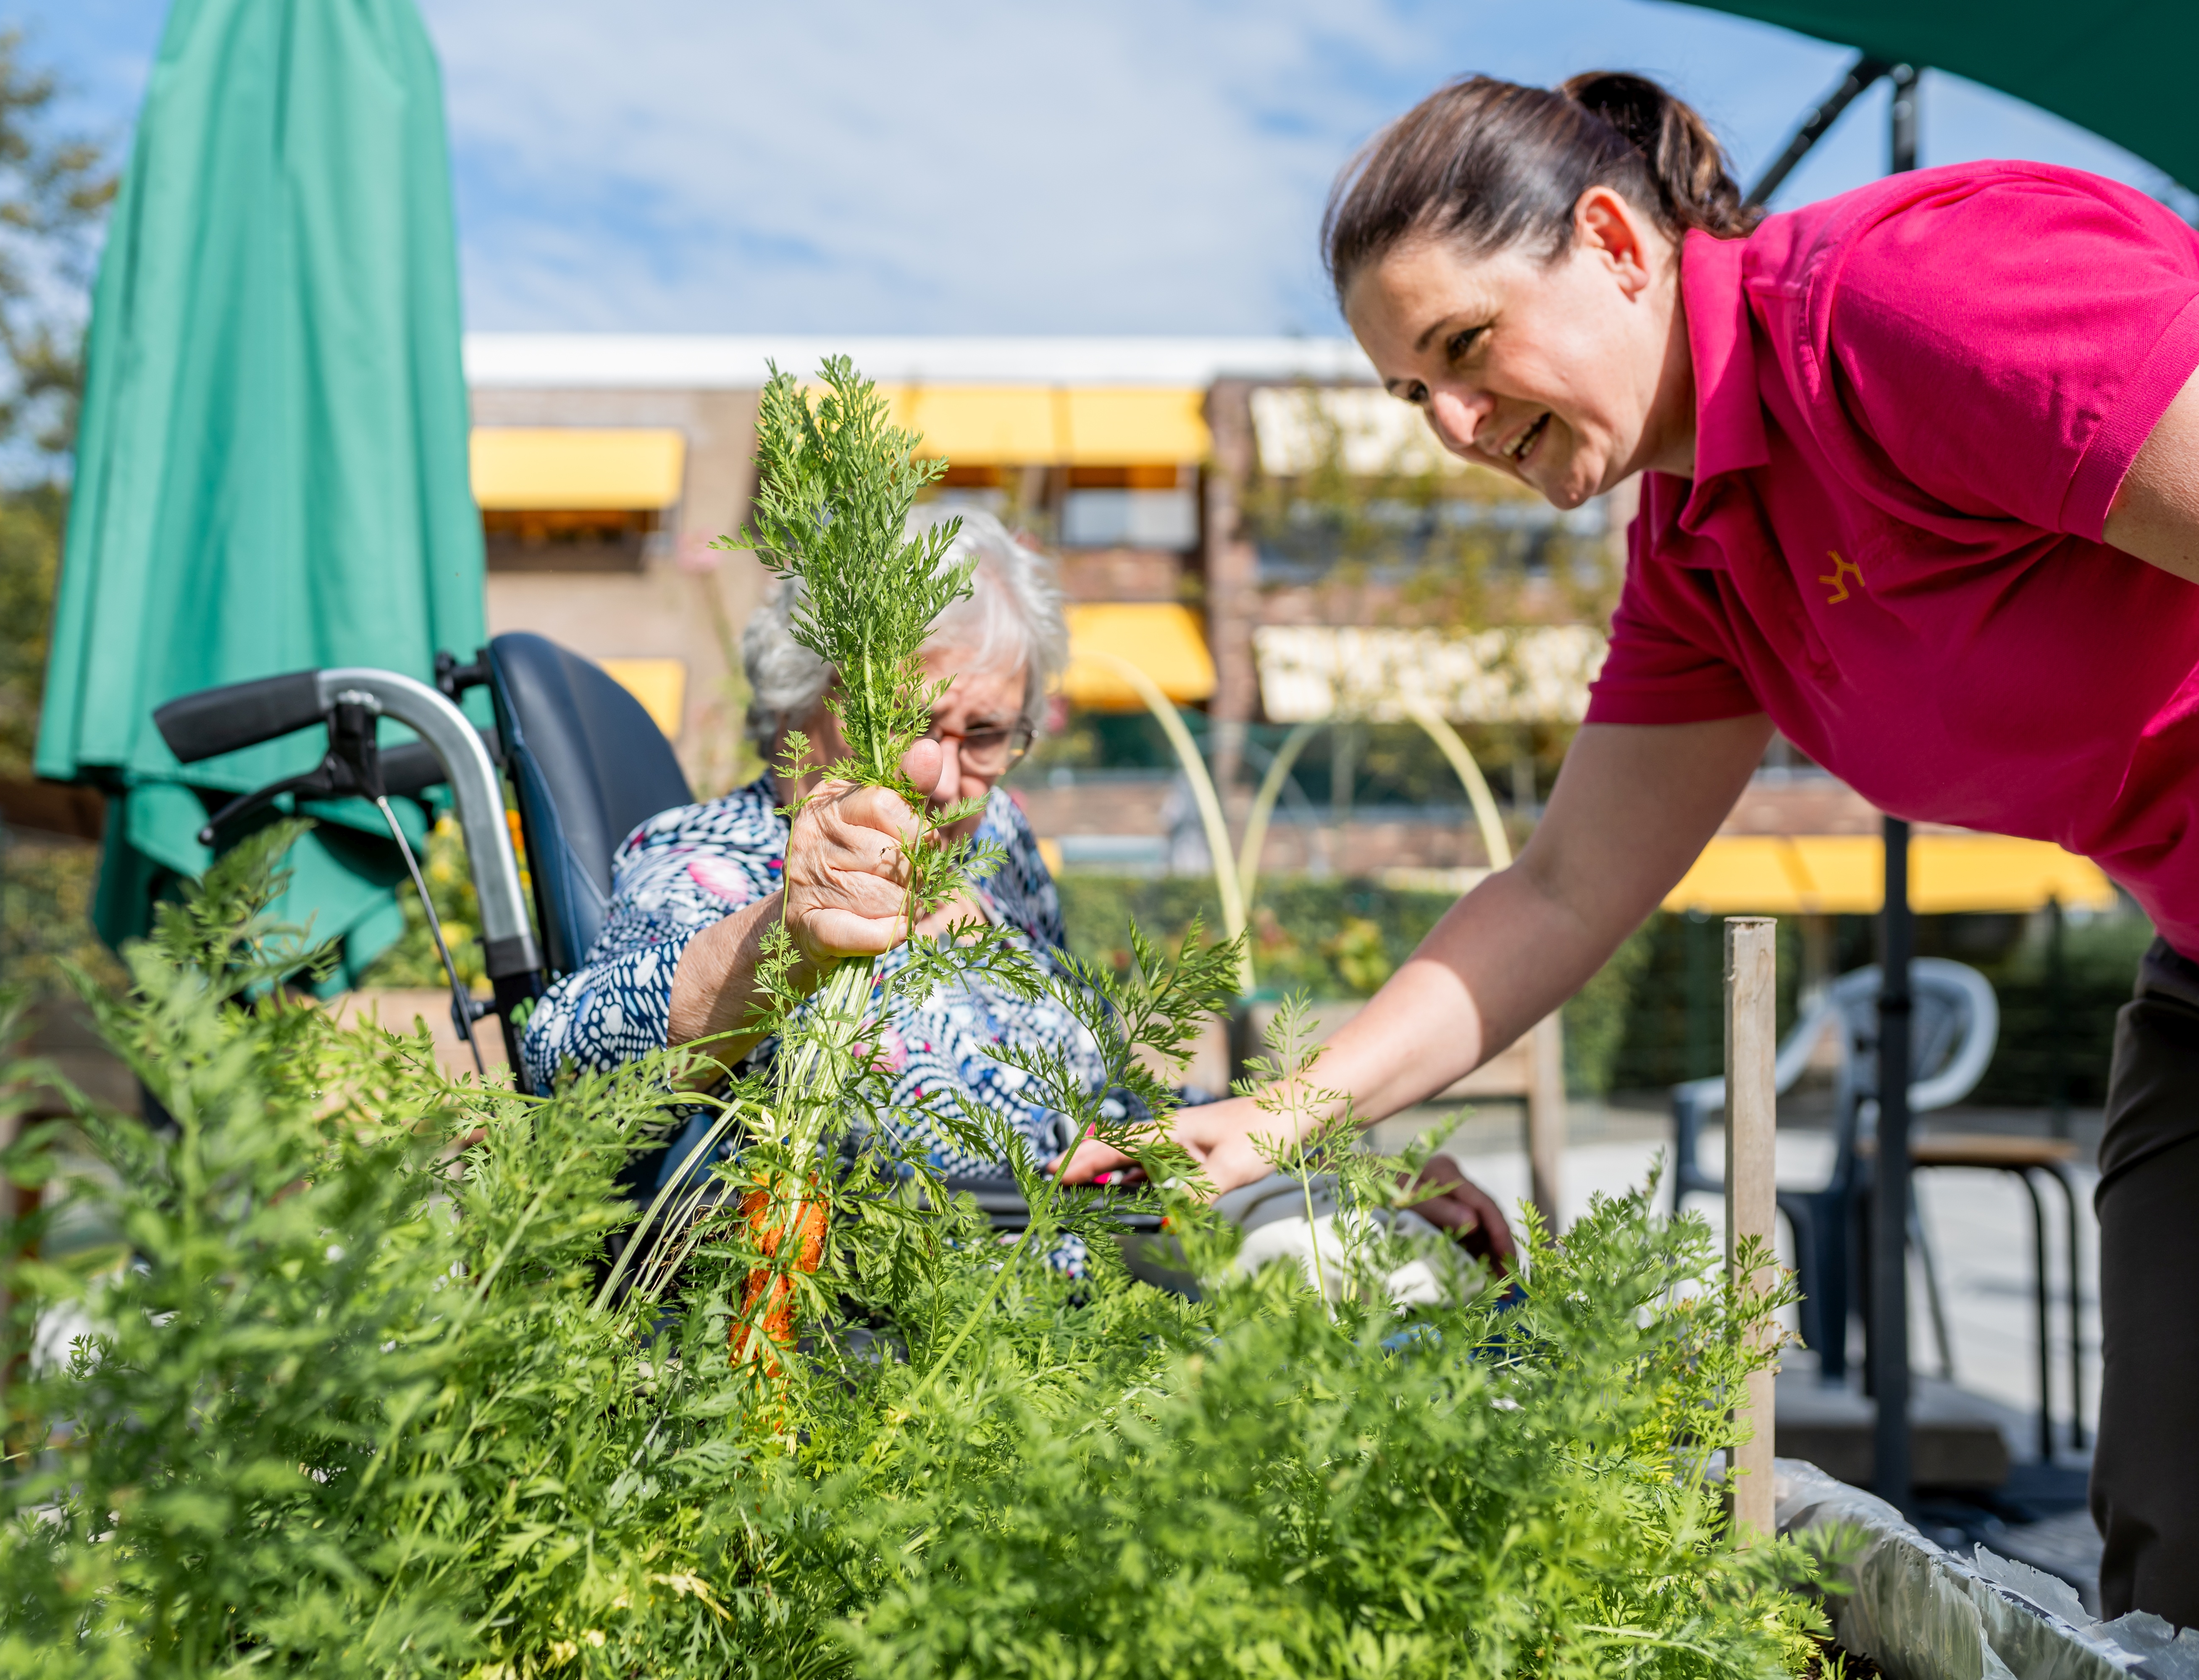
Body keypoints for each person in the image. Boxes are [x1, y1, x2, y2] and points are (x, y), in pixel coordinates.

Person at [1061, 70, 2199, 1623]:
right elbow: (1563, 887)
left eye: (1465, 349)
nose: (1458, 427)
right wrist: (1274, 1123)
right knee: (2173, 1568)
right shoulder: (1702, 552)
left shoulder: (1906, 306)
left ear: (1611, 238)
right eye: (1415, 398)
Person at [520, 507, 1513, 1265]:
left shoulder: (995, 846)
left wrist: (1319, 1147)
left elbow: (1108, 1097)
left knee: (1431, 1253)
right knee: (1379, 1283)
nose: (944, 778)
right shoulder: (710, 857)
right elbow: (565, 1064)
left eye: (986, 733)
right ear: (799, 706)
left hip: (1128, 1235)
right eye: (906, 717)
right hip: (966, 1309)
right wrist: (784, 937)